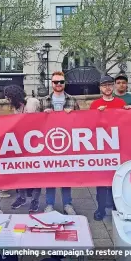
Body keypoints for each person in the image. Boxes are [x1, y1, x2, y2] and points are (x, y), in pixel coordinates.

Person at [90, 75, 131, 221]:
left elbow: (127, 124)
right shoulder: (95, 104)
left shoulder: (121, 102)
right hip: (102, 148)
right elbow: (90, 127)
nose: (107, 88)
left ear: (113, 86)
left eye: (109, 85)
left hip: (119, 147)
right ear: (100, 88)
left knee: (118, 178)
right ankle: (100, 208)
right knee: (101, 180)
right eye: (104, 85)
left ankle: (117, 207)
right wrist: (97, 115)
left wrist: (128, 111)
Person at [40, 71, 80, 215]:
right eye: (56, 82)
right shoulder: (43, 100)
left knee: (66, 175)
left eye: (61, 82)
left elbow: (81, 121)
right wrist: (43, 114)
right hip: (48, 143)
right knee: (50, 174)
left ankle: (67, 204)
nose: (58, 84)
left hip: (67, 143)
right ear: (52, 83)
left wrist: (73, 115)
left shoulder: (72, 100)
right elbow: (34, 123)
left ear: (64, 83)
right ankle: (49, 204)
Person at [4, 85, 41, 213]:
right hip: (22, 144)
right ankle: (21, 197)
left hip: (37, 143)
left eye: (8, 97)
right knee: (20, 172)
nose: (7, 101)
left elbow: (45, 120)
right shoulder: (16, 108)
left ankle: (35, 200)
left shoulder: (33, 102)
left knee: (37, 174)